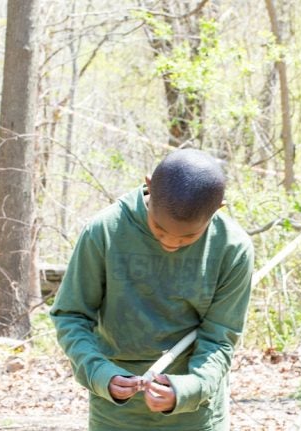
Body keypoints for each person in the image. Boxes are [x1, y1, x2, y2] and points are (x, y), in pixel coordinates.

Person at [50, 148, 254, 430]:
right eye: (159, 229)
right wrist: (99, 372)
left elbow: (220, 338)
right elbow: (70, 315)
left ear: (218, 209)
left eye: (188, 238)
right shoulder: (105, 231)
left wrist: (190, 389)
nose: (170, 243)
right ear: (149, 187)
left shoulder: (232, 248)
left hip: (195, 412)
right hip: (116, 412)